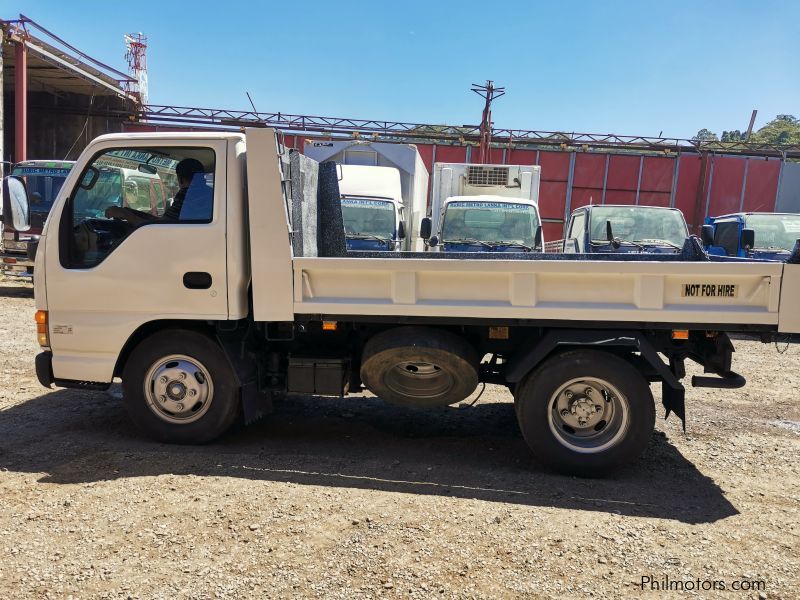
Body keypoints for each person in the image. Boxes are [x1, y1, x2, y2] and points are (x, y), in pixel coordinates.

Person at [105, 158, 210, 225]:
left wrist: (126, 214)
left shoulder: (188, 195)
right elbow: (161, 222)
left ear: (180, 179)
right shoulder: (208, 194)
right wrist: (130, 211)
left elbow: (160, 227)